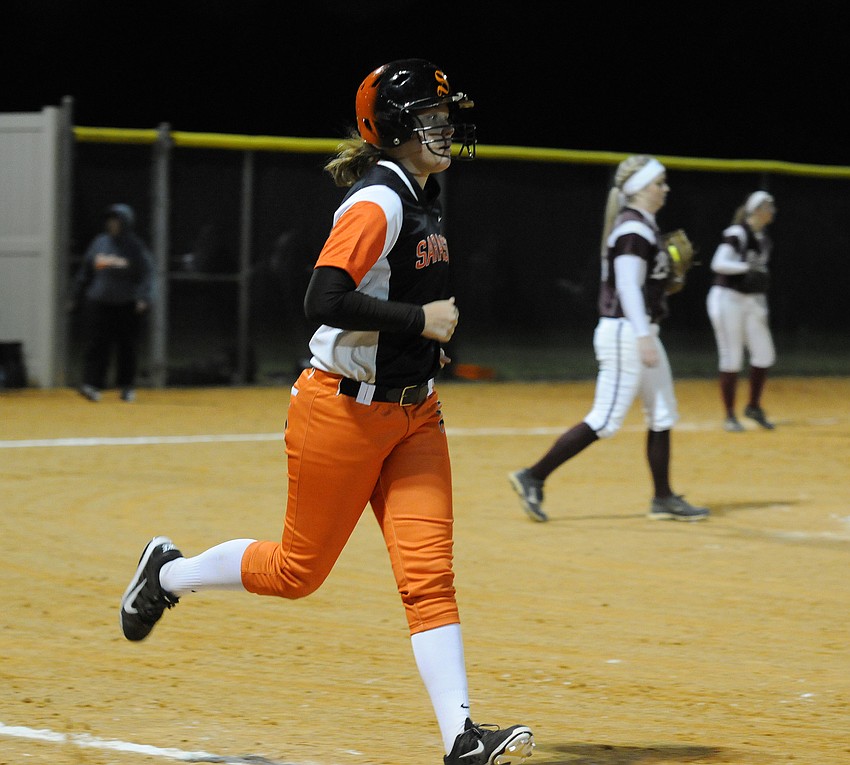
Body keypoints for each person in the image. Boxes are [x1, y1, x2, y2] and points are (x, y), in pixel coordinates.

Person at [119, 60, 534, 765]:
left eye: (445, 116)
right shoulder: (380, 202)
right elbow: (323, 296)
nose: (446, 128)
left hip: (415, 418)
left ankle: (462, 737)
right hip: (339, 413)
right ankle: (165, 574)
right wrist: (419, 318)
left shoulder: (425, 195)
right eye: (431, 117)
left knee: (429, 577)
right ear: (396, 127)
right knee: (296, 572)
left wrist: (417, 339)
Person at [508, 155, 709, 523]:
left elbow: (639, 285)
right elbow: (629, 288)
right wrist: (644, 335)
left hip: (640, 329)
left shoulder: (642, 226)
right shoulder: (633, 230)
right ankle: (533, 476)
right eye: (658, 183)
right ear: (637, 189)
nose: (665, 189)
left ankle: (663, 498)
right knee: (605, 420)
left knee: (662, 412)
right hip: (627, 332)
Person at [706, 191, 777, 432]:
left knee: (765, 354)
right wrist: (747, 266)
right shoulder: (737, 233)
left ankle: (753, 406)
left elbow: (758, 277)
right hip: (727, 298)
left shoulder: (764, 239)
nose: (772, 210)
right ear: (755, 210)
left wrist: (762, 307)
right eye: (767, 206)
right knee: (731, 356)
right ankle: (729, 415)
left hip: (750, 301)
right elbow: (718, 263)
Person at [69, 203, 154, 402]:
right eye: (111, 220)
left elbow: (147, 274)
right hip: (98, 302)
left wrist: (143, 297)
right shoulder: (99, 243)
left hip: (125, 304)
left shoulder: (135, 247)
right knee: (97, 345)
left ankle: (126, 387)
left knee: (126, 347)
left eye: (117, 221)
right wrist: (75, 295)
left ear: (126, 223)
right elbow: (85, 272)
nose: (113, 224)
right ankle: (92, 385)